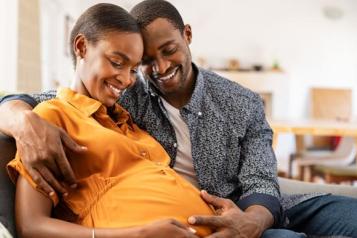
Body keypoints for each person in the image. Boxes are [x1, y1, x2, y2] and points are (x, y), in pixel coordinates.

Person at [1, 0, 357, 237]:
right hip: (202, 224)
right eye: (142, 62)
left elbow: (262, 180)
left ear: (187, 35)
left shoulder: (239, 102)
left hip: (252, 210)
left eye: (168, 51)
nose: (159, 69)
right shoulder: (123, 96)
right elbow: (51, 101)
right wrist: (21, 118)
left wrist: (250, 222)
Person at [5, 3, 214, 238]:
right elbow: (31, 226)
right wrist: (139, 234)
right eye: (117, 62)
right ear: (82, 47)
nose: (126, 80)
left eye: (134, 69)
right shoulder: (51, 117)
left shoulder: (125, 120)